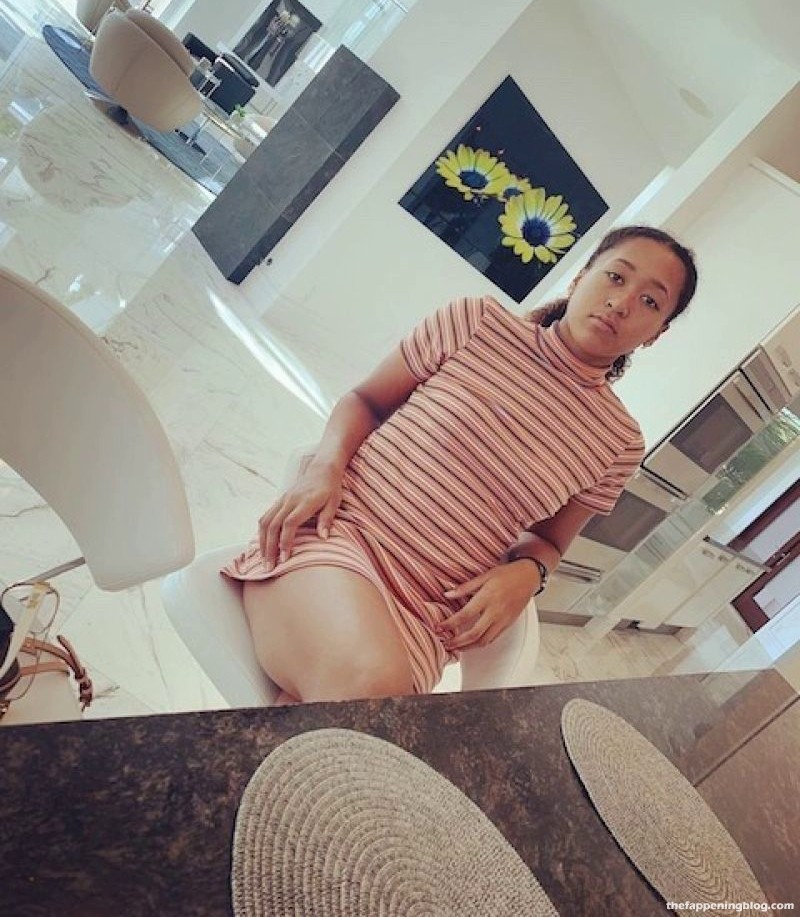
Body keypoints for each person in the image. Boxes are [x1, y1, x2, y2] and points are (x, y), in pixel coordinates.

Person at [222, 225, 698, 704]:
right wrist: (324, 467)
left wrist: (529, 573)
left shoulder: (619, 443)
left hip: (427, 619)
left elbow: (551, 540)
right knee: (371, 695)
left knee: (351, 726)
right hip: (337, 541)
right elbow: (366, 401)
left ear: (656, 334)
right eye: (615, 277)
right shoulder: (476, 324)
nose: (621, 303)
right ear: (580, 277)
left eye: (650, 301)